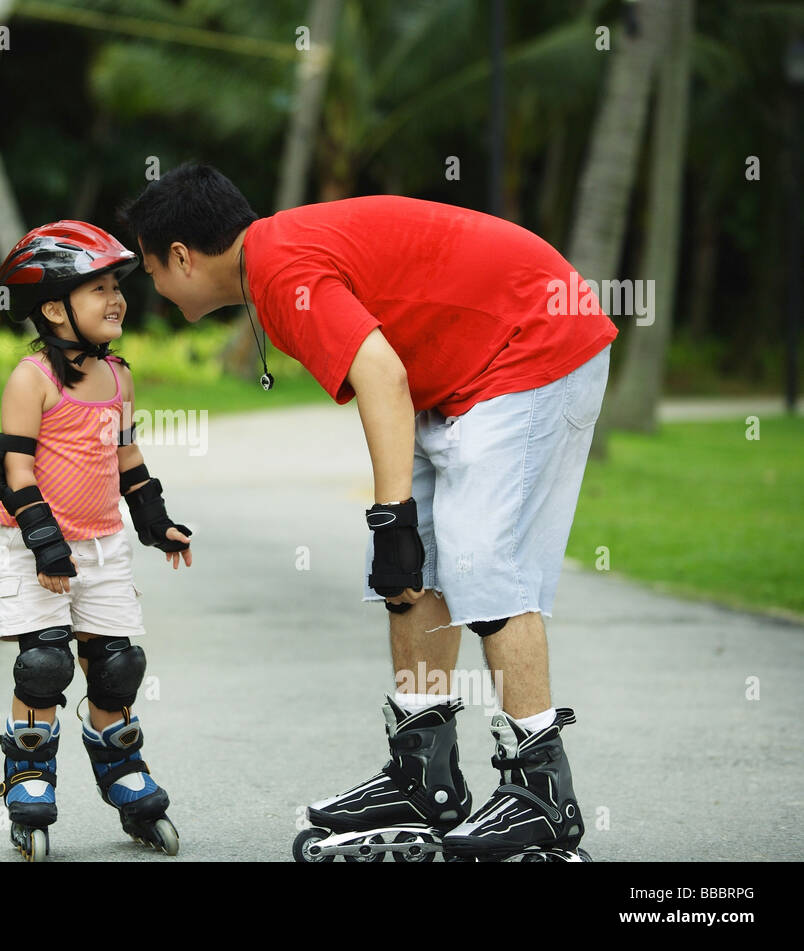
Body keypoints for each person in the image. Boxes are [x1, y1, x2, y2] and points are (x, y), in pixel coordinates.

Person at [117, 163, 615, 862]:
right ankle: (425, 774)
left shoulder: (281, 272)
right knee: (412, 571)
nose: (157, 290)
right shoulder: (276, 262)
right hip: (470, 366)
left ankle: (542, 791)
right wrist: (399, 529)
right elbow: (386, 371)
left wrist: (391, 517)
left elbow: (381, 373)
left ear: (181, 256)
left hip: (532, 345)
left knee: (478, 560)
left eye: (151, 271)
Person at [0, 220, 192, 861]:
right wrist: (46, 543)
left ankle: (123, 771)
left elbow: (126, 459)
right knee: (44, 663)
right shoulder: (32, 380)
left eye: (116, 286)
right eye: (97, 288)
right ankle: (28, 781)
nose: (116, 298)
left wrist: (155, 521)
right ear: (53, 308)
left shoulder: (119, 377)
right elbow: (12, 470)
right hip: (35, 548)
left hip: (101, 548)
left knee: (117, 665)